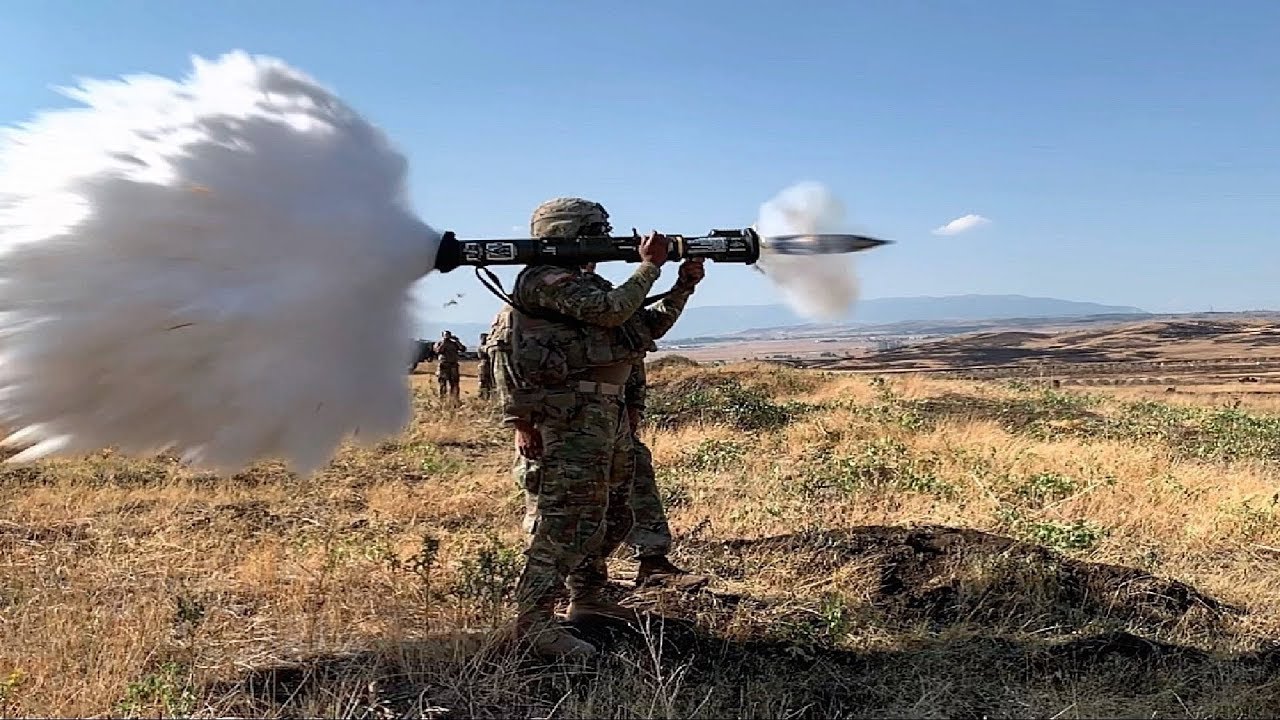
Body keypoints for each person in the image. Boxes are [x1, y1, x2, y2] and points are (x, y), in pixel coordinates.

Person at [500, 196, 705, 659]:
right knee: (564, 520)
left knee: (609, 512)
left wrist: (682, 286)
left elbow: (641, 328)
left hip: (602, 414)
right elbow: (613, 310)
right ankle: (534, 624)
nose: (605, 240)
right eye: (595, 231)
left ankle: (589, 599)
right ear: (567, 234)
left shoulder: (587, 284)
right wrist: (648, 268)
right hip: (566, 416)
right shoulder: (544, 281)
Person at [433, 330, 465, 402]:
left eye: (448, 335)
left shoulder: (454, 343)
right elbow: (438, 351)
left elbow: (462, 349)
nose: (447, 336)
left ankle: (454, 400)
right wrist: (444, 342)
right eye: (446, 335)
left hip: (453, 365)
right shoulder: (439, 343)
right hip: (443, 365)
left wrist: (457, 341)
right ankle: (442, 400)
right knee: (442, 384)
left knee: (454, 384)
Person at [476, 333, 495, 400]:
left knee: (491, 383)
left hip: (490, 365)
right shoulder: (482, 347)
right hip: (484, 366)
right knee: (483, 382)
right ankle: (482, 397)